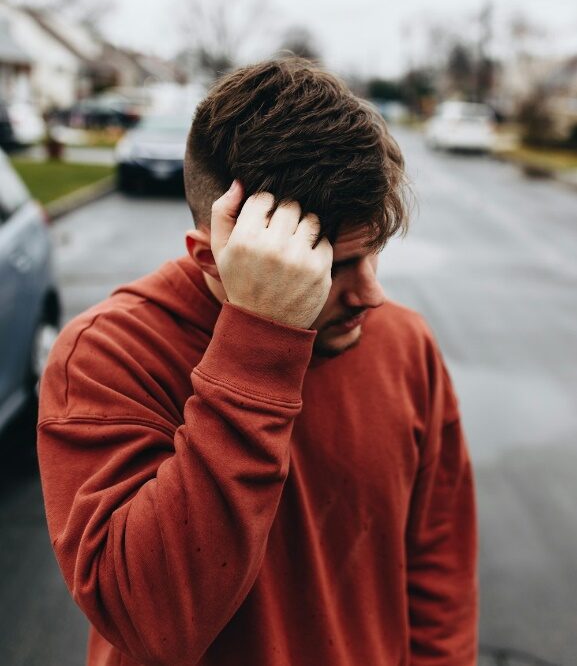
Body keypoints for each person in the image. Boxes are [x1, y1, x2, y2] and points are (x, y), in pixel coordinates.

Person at [38, 58, 478, 666]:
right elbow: (153, 623)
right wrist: (260, 340)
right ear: (215, 255)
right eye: (333, 268)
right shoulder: (108, 355)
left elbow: (439, 567)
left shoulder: (405, 343)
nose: (372, 294)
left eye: (374, 254)